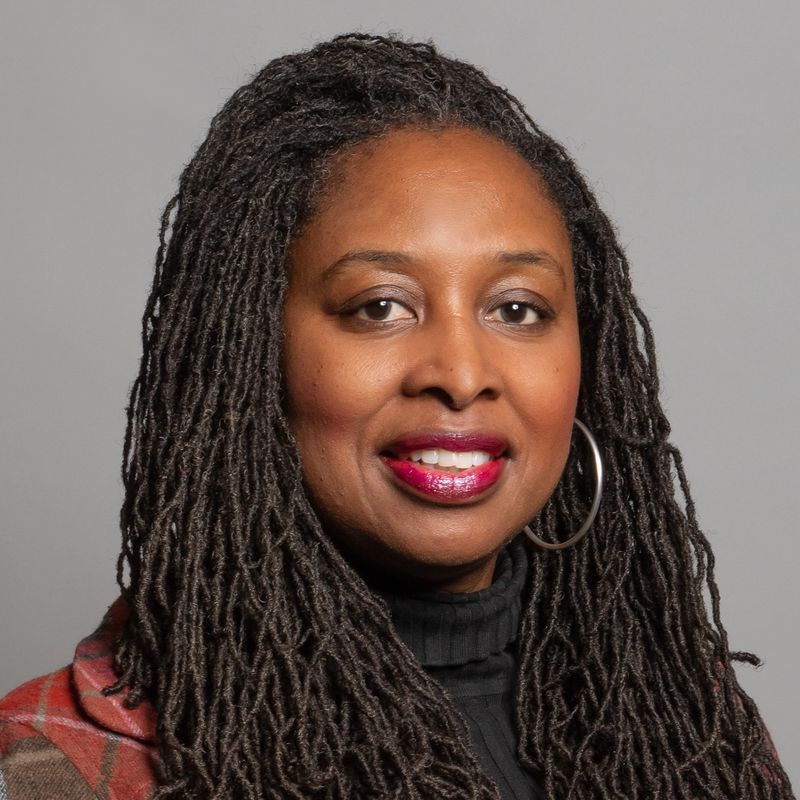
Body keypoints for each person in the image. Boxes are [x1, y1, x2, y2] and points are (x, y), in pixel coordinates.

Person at [0, 32, 793, 800]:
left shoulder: (686, 726)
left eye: (517, 309)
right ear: (249, 357)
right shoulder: (55, 769)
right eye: (380, 306)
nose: (462, 375)